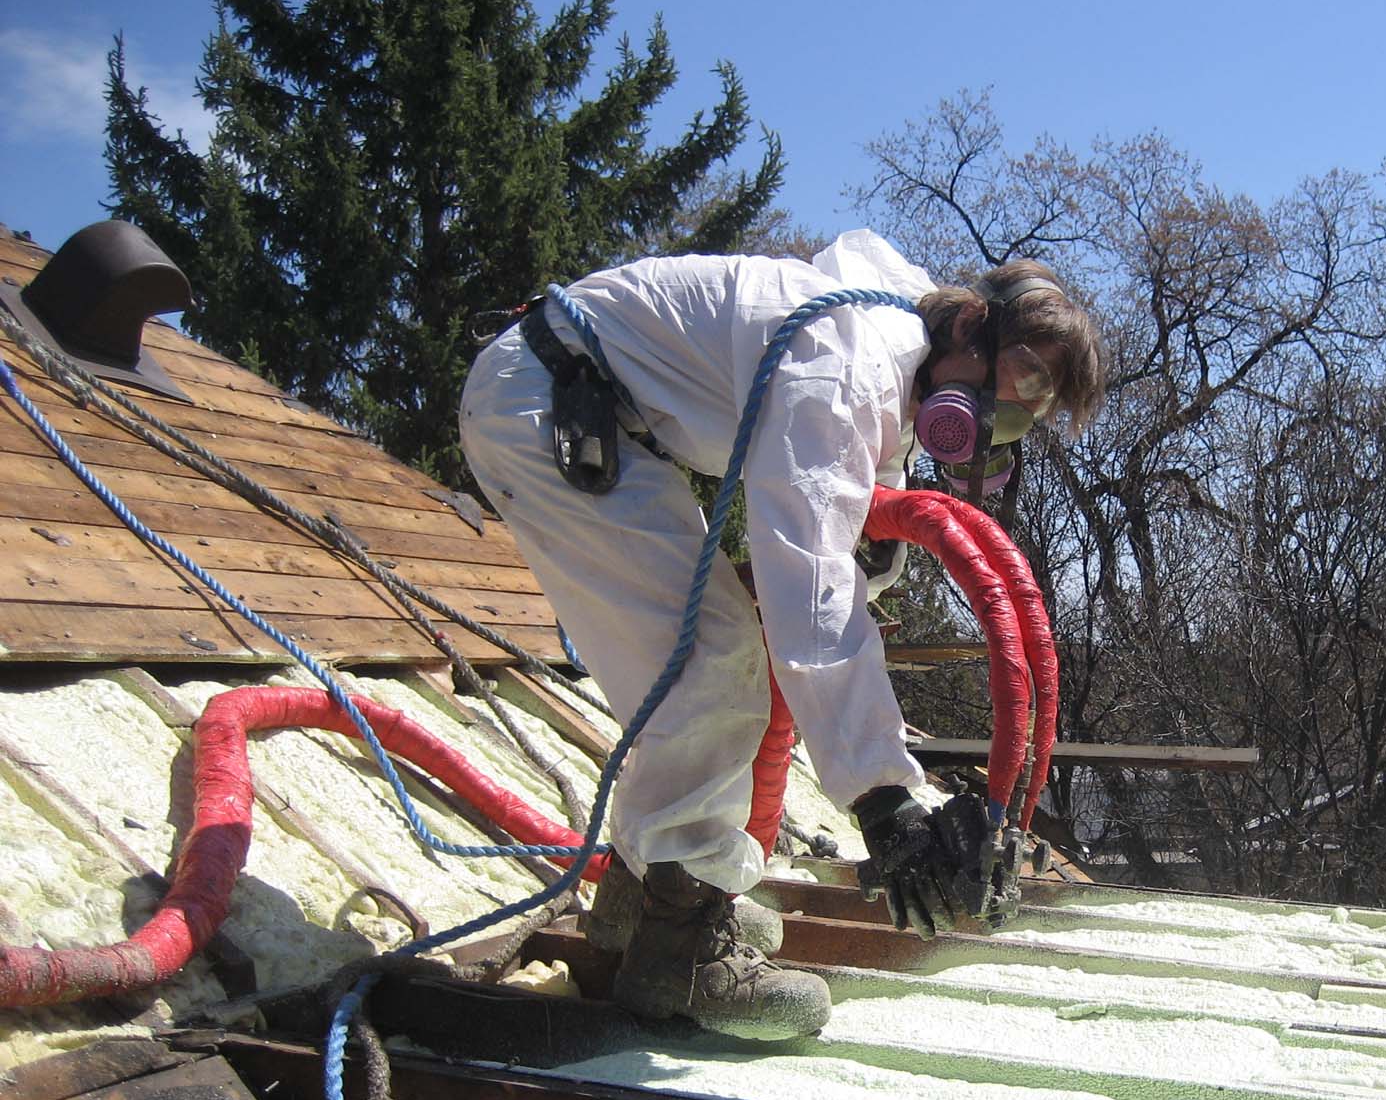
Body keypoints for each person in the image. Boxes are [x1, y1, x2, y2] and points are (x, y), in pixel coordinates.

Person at [458, 231, 1104, 1040]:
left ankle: (648, 901)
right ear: (972, 326)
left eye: (1031, 412)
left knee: (711, 654)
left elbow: (844, 542)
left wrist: (871, 551)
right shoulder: (849, 364)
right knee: (711, 665)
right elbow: (808, 573)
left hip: (582, 402)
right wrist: (885, 799)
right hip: (543, 405)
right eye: (1022, 378)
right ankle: (681, 953)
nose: (1005, 416)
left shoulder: (896, 351)